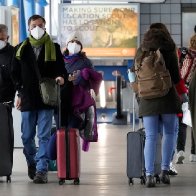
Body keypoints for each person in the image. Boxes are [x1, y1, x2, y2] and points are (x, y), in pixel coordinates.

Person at [11, 15, 66, 184]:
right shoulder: (20, 49)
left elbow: (61, 70)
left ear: (45, 27)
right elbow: (15, 74)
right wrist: (19, 94)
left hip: (46, 99)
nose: (37, 28)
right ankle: (32, 162)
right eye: (34, 25)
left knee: (43, 136)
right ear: (28, 28)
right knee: (27, 137)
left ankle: (42, 169)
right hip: (27, 98)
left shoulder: (54, 48)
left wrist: (61, 78)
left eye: (40, 25)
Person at [132, 23, 181, 188]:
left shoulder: (142, 49)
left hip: (147, 99)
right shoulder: (169, 49)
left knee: (151, 136)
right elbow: (175, 76)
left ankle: (149, 174)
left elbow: (135, 73)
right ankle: (165, 171)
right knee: (169, 133)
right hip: (167, 97)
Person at [60, 34, 102, 150]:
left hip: (79, 98)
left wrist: (91, 86)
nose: (74, 45)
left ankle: (80, 143)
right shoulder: (60, 61)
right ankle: (62, 152)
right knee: (62, 126)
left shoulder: (86, 62)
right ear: (67, 44)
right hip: (63, 97)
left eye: (77, 43)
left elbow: (94, 78)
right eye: (72, 42)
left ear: (81, 46)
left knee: (80, 122)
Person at [0, 24, 15, 106]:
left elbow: (16, 75)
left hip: (6, 98)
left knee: (4, 118)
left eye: (1, 39)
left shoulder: (13, 52)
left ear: (7, 37)